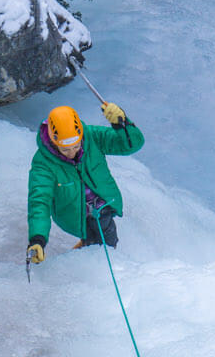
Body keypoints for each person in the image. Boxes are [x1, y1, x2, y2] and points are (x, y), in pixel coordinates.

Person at [27, 101, 144, 263]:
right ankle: (88, 248)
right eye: (65, 149)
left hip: (103, 208)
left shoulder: (92, 136)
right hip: (75, 215)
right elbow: (39, 202)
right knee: (92, 240)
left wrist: (122, 125)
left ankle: (92, 249)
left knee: (109, 243)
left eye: (75, 146)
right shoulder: (43, 163)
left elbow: (132, 145)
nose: (72, 153)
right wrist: (37, 239)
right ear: (54, 142)